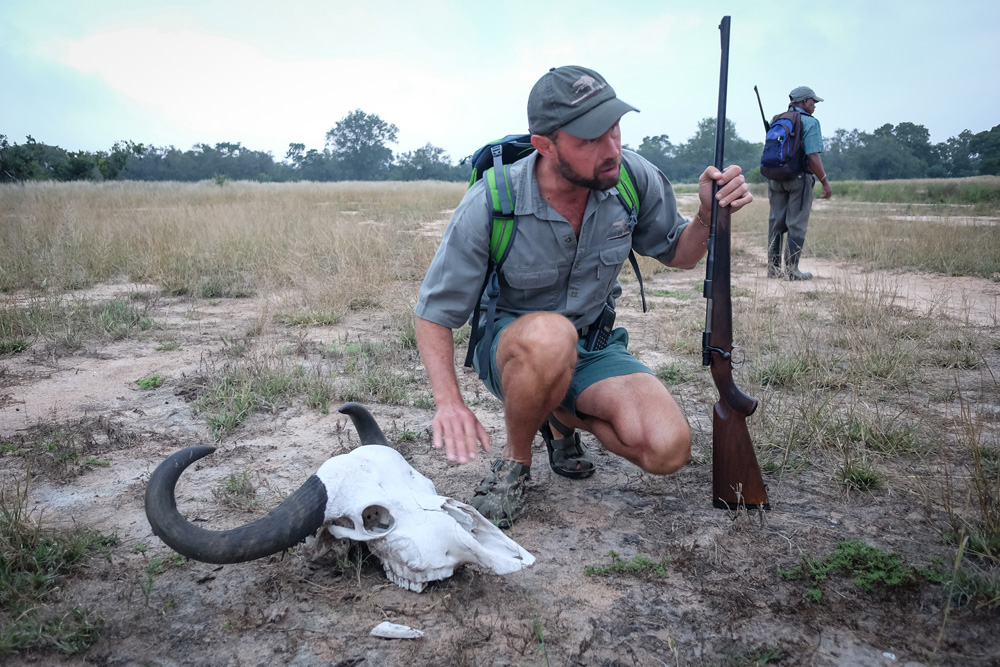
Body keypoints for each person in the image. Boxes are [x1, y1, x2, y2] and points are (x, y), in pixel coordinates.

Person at [414, 65, 752, 527]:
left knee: (667, 447)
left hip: (592, 345)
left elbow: (679, 253)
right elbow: (434, 313)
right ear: (545, 146)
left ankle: (556, 416)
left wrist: (707, 218)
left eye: (614, 129)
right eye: (590, 140)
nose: (611, 149)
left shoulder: (632, 178)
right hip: (517, 351)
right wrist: (449, 402)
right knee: (551, 336)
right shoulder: (493, 201)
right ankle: (515, 463)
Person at [766, 85, 832, 281]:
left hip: (775, 178)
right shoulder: (810, 123)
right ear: (804, 101)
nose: (815, 105)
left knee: (776, 223)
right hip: (799, 179)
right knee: (796, 224)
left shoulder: (776, 120)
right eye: (813, 101)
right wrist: (824, 181)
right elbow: (812, 156)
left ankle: (773, 269)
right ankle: (792, 270)